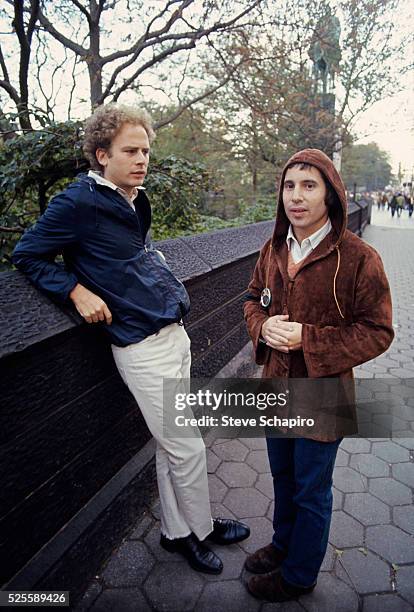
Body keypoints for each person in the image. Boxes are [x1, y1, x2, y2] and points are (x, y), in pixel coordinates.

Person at [12, 103, 249, 575]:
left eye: (145, 150)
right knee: (187, 445)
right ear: (102, 154)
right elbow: (28, 254)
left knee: (171, 445)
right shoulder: (76, 201)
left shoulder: (135, 198)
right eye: (130, 151)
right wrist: (75, 290)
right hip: (140, 346)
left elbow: (131, 259)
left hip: (172, 333)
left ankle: (177, 532)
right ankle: (201, 531)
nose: (142, 160)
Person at [243, 148, 393, 602]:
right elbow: (252, 298)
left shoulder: (359, 257)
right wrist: (263, 327)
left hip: (323, 396)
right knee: (283, 478)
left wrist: (307, 339)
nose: (297, 196)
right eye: (289, 186)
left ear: (330, 194)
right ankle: (283, 545)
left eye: (309, 186)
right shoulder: (273, 248)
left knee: (311, 490)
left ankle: (300, 574)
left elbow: (378, 331)